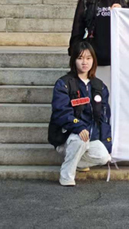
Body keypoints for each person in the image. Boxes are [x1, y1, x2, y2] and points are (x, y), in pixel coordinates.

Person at [48, 41, 112, 187]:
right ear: (74, 60)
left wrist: (106, 142)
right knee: (80, 139)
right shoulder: (64, 84)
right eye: (80, 58)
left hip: (91, 138)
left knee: (104, 157)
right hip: (67, 137)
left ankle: (77, 161)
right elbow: (61, 112)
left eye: (88, 58)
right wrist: (78, 127)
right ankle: (66, 176)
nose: (84, 62)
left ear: (93, 60)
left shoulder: (99, 86)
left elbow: (104, 118)